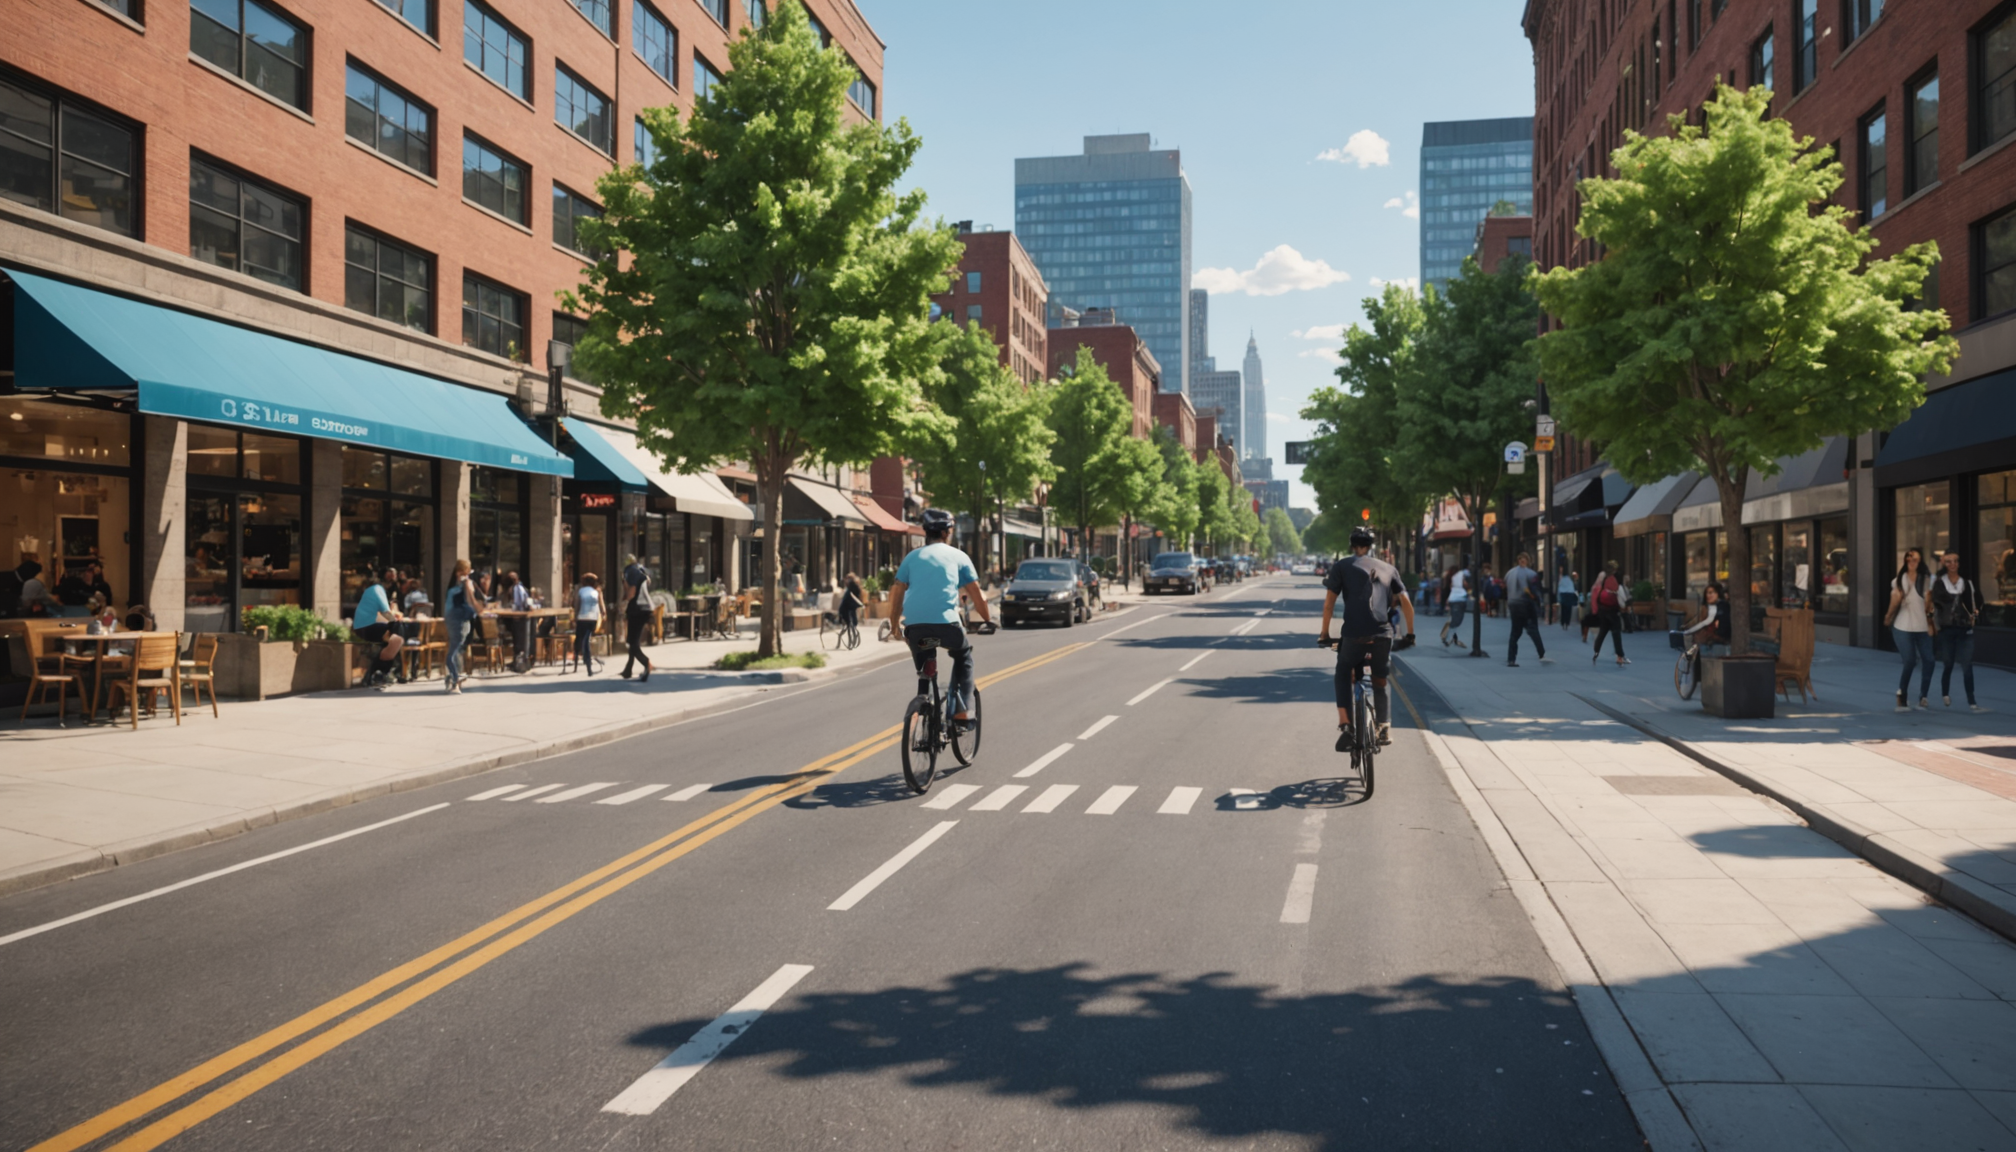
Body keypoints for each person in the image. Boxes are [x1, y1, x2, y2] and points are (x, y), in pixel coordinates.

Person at [889, 508, 992, 728]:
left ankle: (923, 700)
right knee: (963, 656)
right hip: (948, 627)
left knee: (925, 660)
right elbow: (976, 593)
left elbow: (897, 591)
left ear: (926, 532)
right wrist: (988, 618)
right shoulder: (958, 556)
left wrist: (893, 624)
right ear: (947, 533)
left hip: (916, 628)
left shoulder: (911, 557)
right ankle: (964, 711)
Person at [1319, 525, 1416, 748]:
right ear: (1371, 547)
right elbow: (1406, 604)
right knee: (1380, 680)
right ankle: (1384, 727)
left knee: (1343, 671)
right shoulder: (1389, 568)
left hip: (1353, 634)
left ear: (1352, 546)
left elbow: (1328, 605)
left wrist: (1325, 634)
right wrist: (1410, 635)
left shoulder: (1342, 566)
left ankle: (1346, 726)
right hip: (1383, 634)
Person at [1932, 549, 1986, 712]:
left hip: (1965, 628)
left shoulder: (1966, 583)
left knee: (1967, 665)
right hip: (1947, 629)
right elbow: (1937, 604)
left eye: (1955, 561)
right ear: (1944, 563)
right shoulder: (1940, 583)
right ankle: (1945, 693)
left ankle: (1972, 700)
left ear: (1959, 563)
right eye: (1949, 561)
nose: (1952, 564)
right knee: (1948, 664)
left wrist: (1975, 614)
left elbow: (1978, 600)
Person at [1885, 547, 1937, 712]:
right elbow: (1894, 601)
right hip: (1903, 626)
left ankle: (1923, 696)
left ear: (1920, 561)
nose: (1911, 562)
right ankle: (1902, 693)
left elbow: (1932, 604)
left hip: (1923, 627)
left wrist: (1932, 623)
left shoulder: (1928, 580)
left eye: (1915, 559)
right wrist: (1888, 616)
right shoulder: (1899, 580)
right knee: (1910, 660)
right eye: (1908, 559)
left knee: (1929, 660)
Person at [352, 567, 406, 691]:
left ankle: (381, 673)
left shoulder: (374, 591)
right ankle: (385, 672)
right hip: (365, 628)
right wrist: (395, 619)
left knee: (393, 639)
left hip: (366, 626)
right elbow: (386, 613)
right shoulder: (377, 590)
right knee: (397, 631)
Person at [1504, 551, 1551, 667]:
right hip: (1525, 603)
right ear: (1528, 561)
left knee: (1515, 632)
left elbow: (1505, 586)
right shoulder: (1531, 574)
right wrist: (1535, 598)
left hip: (1512, 603)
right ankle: (1541, 653)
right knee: (1533, 629)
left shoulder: (1509, 573)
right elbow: (1534, 590)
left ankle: (1511, 659)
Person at [442, 559, 481, 694]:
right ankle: (454, 679)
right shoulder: (456, 586)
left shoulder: (465, 585)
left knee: (454, 653)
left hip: (460, 621)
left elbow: (470, 600)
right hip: (454, 620)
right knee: (456, 651)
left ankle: (454, 680)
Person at [619, 554, 655, 682]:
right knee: (633, 640)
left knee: (632, 643)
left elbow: (632, 591)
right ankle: (628, 669)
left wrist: (624, 603)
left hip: (637, 608)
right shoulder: (642, 570)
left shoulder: (630, 571)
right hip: (646, 607)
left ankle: (646, 663)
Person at [1589, 560, 1628, 666]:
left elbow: (1597, 591)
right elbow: (1620, 592)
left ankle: (1596, 651)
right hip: (1613, 610)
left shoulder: (1603, 577)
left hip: (1603, 609)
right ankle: (1619, 656)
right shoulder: (1616, 578)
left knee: (1603, 631)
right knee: (1616, 632)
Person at [1680, 581, 1732, 655]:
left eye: (1712, 593)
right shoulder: (1708, 607)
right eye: (1707, 593)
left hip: (1718, 637)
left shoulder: (1722, 607)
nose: (1709, 595)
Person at [573, 574, 603, 675]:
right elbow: (602, 607)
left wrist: (575, 616)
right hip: (593, 619)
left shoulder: (580, 591)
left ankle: (580, 659)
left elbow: (577, 604)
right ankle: (587, 661)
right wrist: (602, 616)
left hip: (582, 618)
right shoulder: (597, 592)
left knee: (580, 640)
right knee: (587, 639)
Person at [1439, 564, 1470, 648]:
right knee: (1456, 620)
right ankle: (1448, 638)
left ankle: (1451, 638)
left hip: (1451, 600)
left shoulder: (1448, 578)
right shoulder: (1456, 579)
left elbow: (1445, 590)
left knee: (1453, 619)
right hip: (1456, 600)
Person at [838, 571, 865, 637]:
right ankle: (853, 624)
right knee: (852, 613)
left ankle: (845, 622)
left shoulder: (851, 586)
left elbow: (846, 598)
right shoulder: (855, 585)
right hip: (854, 604)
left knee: (842, 609)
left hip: (850, 604)